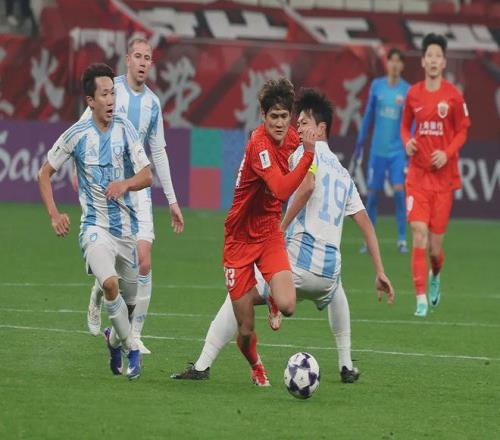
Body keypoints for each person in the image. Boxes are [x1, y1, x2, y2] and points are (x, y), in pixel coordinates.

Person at [171, 88, 394, 384]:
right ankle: (345, 364)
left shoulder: (302, 151)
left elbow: (305, 186)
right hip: (329, 273)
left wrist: (282, 225)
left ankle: (202, 365)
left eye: (303, 123)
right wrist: (380, 270)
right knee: (337, 292)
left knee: (238, 297)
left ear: (320, 129)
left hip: (297, 262)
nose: (297, 128)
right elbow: (365, 222)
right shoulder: (343, 173)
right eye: (296, 123)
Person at [190, 78, 315, 387]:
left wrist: (312, 146)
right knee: (245, 330)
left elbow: (307, 161)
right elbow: (281, 189)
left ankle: (270, 297)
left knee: (288, 305)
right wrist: (309, 155)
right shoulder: (259, 145)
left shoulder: (293, 138)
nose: (280, 123)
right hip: (239, 239)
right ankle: (256, 365)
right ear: (263, 116)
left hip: (269, 231)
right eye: (273, 116)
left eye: (284, 116)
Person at [37, 63, 153, 379]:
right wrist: (54, 215)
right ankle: (132, 349)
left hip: (126, 231)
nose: (111, 99)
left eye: (113, 93)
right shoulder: (77, 135)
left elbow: (147, 175)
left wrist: (125, 184)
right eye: (104, 94)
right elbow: (44, 173)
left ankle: (114, 340)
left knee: (129, 306)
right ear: (90, 101)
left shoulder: (125, 129)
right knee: (110, 284)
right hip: (94, 229)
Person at [84, 38, 184, 355]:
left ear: (151, 64)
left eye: (147, 58)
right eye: (137, 56)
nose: (142, 62)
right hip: (111, 190)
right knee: (112, 261)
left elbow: (159, 152)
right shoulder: (109, 90)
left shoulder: (153, 103)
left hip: (138, 189)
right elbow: (84, 127)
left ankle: (135, 334)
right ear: (127, 59)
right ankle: (97, 294)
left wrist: (172, 200)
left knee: (144, 262)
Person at [401, 33, 470, 317]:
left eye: (438, 56)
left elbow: (463, 130)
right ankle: (419, 298)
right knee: (418, 233)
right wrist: (407, 142)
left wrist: (447, 153)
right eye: (429, 55)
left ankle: (435, 274)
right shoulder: (413, 93)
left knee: (434, 249)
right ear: (423, 61)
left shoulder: (453, 95)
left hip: (443, 180)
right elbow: (405, 126)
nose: (433, 60)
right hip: (417, 176)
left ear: (443, 62)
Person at [353, 48, 410, 254]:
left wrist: (409, 148)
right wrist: (360, 144)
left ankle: (402, 239)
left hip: (397, 152)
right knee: (372, 196)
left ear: (402, 65)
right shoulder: (377, 86)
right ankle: (368, 241)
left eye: (398, 61)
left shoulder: (407, 90)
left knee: (399, 193)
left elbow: (410, 123)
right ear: (387, 64)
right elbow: (368, 116)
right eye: (391, 60)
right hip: (378, 151)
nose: (394, 64)